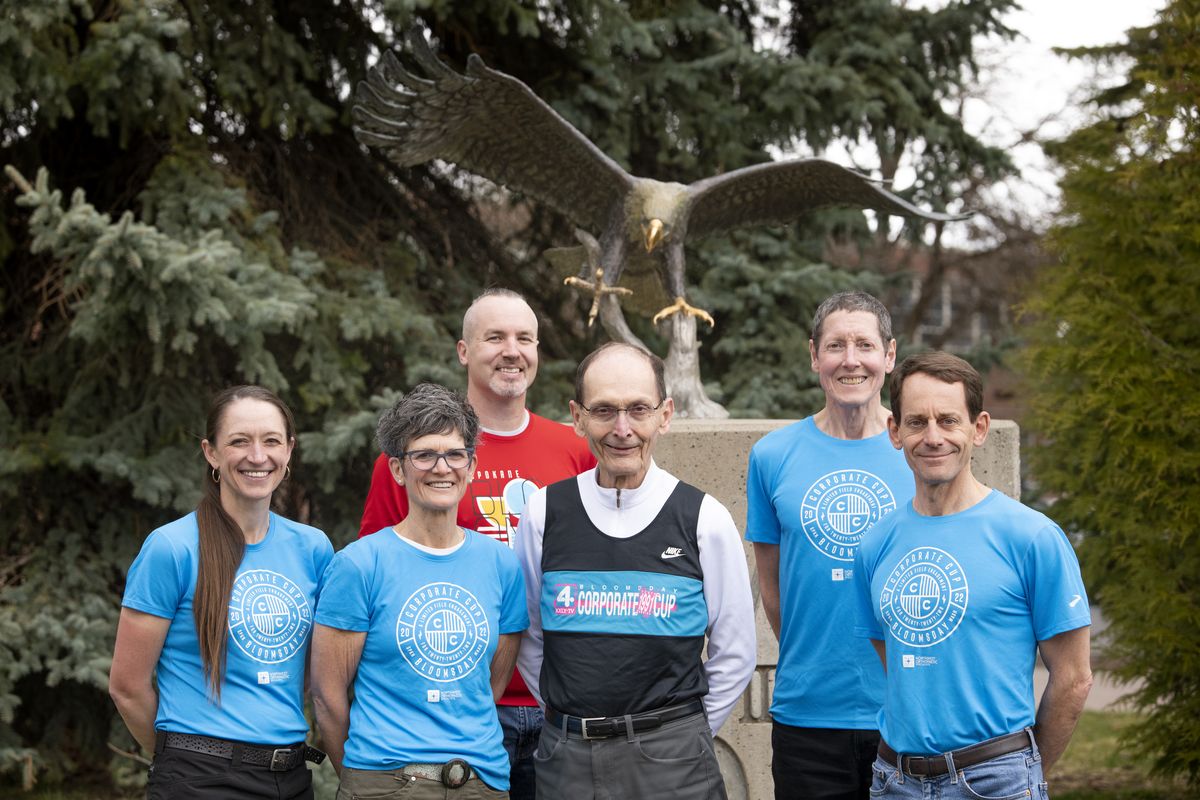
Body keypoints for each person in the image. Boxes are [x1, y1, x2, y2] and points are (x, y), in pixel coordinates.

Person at [357, 288, 593, 799]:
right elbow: (374, 583)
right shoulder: (411, 461)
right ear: (464, 351)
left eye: (524, 338)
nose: (512, 350)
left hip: (558, 705)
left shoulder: (576, 452)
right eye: (495, 337)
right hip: (451, 713)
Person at [515, 342, 756, 800]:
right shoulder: (544, 512)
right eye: (604, 410)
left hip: (674, 764)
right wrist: (573, 720)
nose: (621, 429)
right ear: (577, 416)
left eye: (638, 410)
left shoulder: (702, 517)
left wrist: (680, 735)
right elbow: (527, 638)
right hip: (568, 761)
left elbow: (736, 651)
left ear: (664, 415)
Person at [853, 352, 1093, 799]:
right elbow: (896, 658)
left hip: (995, 779)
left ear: (978, 428)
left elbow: (1074, 678)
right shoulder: (875, 544)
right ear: (894, 431)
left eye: (948, 420)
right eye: (916, 422)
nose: (933, 437)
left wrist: (1025, 772)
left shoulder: (1032, 537)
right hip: (894, 782)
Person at [109, 385, 333, 800]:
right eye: (239, 442)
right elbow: (127, 685)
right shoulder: (172, 548)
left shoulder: (314, 548)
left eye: (271, 441)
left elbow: (314, 671)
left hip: (291, 777)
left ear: (289, 450)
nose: (257, 456)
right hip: (199, 779)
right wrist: (179, 760)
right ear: (211, 452)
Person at [312, 383, 528, 799]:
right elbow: (327, 695)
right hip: (385, 782)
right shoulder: (359, 564)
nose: (441, 467)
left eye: (453, 454)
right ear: (397, 469)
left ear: (471, 464)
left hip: (481, 783)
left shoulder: (501, 564)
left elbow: (490, 685)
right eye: (424, 455)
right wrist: (362, 782)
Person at [745, 291, 914, 800]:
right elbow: (773, 589)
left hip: (905, 713)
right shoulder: (772, 455)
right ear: (814, 355)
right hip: (807, 716)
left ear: (888, 355)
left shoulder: (920, 451)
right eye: (836, 345)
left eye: (865, 344)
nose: (850, 359)